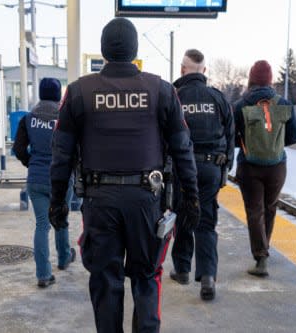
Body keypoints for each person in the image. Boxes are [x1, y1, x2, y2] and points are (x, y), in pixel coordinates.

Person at [49, 17, 200, 333]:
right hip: (148, 201)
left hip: (99, 202)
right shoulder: (161, 90)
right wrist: (191, 198)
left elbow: (61, 154)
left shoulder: (78, 92)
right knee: (147, 276)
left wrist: (57, 201)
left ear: (104, 51)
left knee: (105, 280)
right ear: (135, 50)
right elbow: (183, 149)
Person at [169, 49, 234, 301]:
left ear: (183, 69)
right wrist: (226, 167)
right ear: (204, 71)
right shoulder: (218, 98)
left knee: (183, 213)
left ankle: (182, 269)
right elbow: (230, 138)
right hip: (210, 168)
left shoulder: (174, 97)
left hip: (182, 168)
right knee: (206, 220)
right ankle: (207, 276)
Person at [233, 60, 296, 277]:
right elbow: (295, 136)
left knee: (255, 211)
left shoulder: (240, 105)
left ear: (251, 79)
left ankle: (260, 256)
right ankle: (264, 249)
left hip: (249, 166)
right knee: (270, 208)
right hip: (277, 166)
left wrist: (247, 143)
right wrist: (274, 144)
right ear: (270, 80)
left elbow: (230, 137)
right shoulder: (283, 103)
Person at [13, 77, 76, 288]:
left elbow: (19, 149)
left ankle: (43, 274)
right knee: (60, 217)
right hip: (61, 179)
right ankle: (64, 257)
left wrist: (32, 163)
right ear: (58, 95)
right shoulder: (65, 118)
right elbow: (75, 149)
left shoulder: (28, 119)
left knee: (42, 225)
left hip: (36, 180)